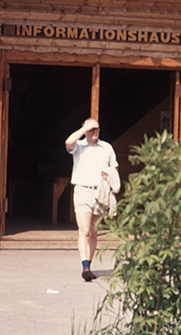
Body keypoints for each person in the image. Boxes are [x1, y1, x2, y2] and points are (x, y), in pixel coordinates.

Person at [65, 118, 118, 281]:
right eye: (92, 129)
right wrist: (84, 129)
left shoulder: (106, 147)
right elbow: (68, 142)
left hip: (100, 192)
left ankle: (89, 264)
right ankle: (85, 267)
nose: (95, 132)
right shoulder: (79, 146)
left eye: (97, 129)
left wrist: (109, 176)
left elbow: (114, 168)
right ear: (86, 130)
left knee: (94, 232)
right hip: (83, 190)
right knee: (84, 230)